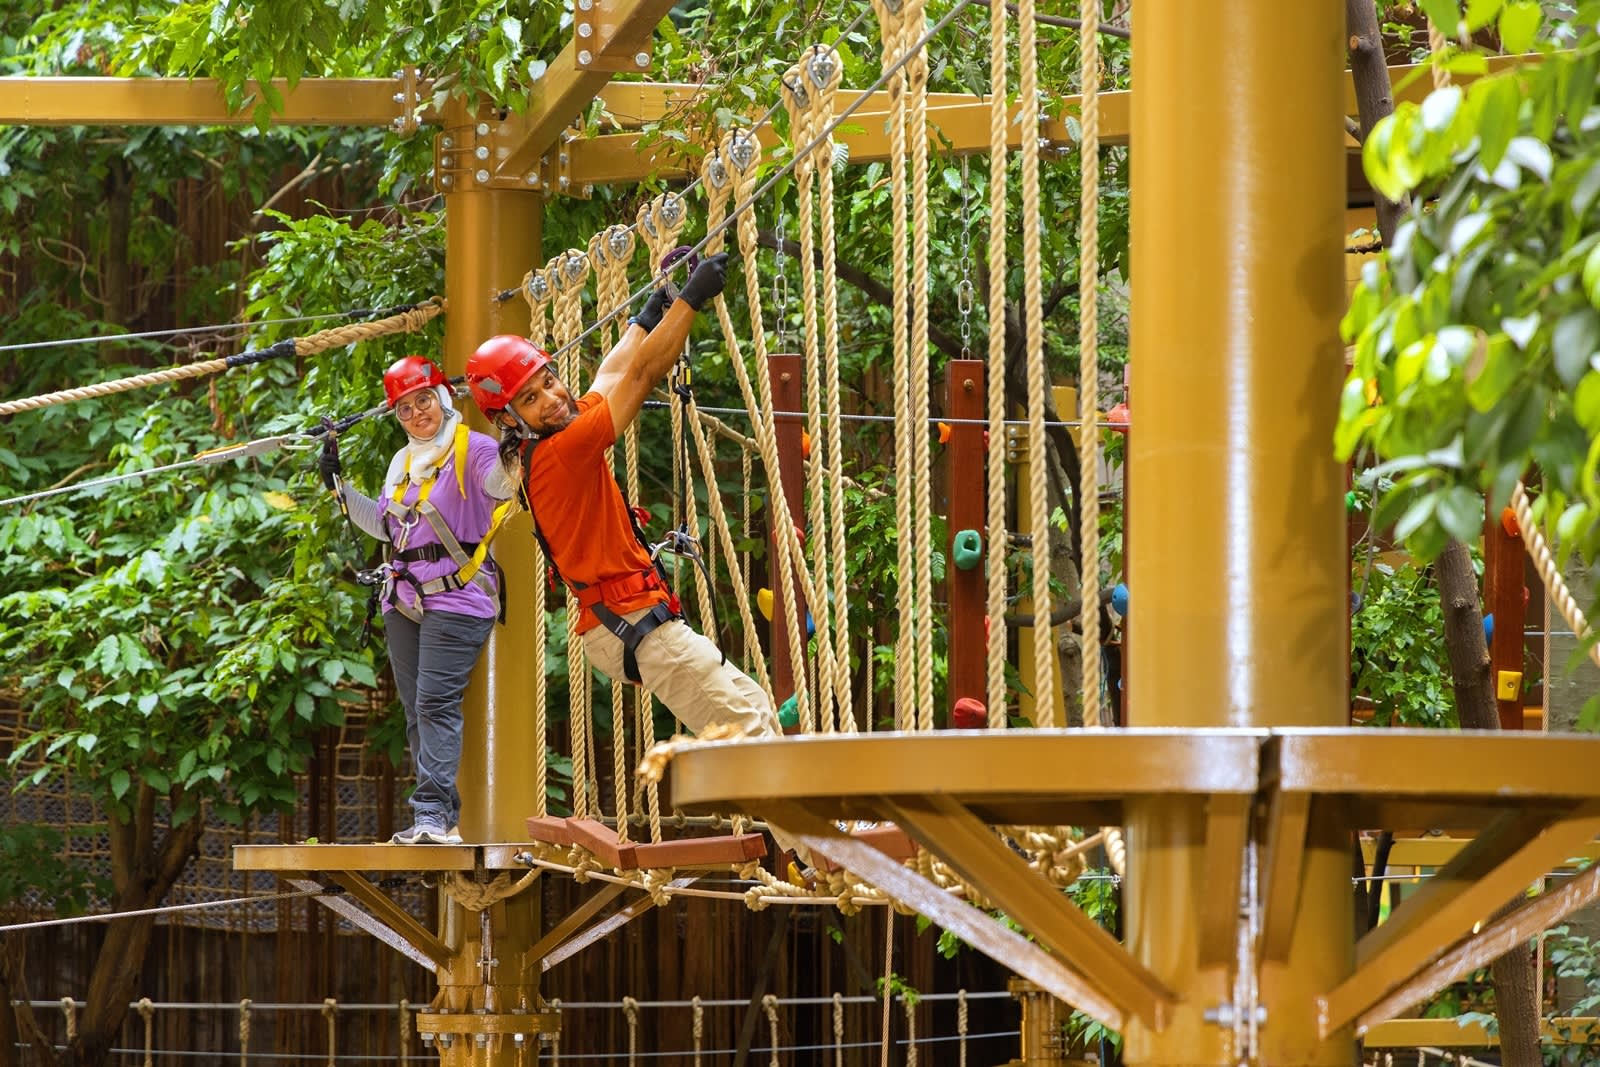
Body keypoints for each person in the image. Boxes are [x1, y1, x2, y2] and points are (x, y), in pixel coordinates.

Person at [465, 254, 809, 869]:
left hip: (629, 621)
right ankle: (823, 847)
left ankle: (806, 836)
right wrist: (691, 301)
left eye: (548, 381)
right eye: (531, 398)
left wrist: (650, 312)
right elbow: (644, 374)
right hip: (630, 623)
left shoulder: (549, 440)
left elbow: (610, 373)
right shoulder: (562, 452)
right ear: (509, 418)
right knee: (745, 723)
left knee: (753, 707)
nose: (552, 398)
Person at [318, 355, 516, 844]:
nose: (416, 414)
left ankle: (431, 814)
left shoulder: (474, 449)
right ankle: (439, 817)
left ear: (443, 398)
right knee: (416, 711)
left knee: (434, 703)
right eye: (404, 408)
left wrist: (516, 441)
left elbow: (502, 484)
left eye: (423, 400)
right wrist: (337, 486)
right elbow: (385, 526)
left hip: (458, 597)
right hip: (404, 599)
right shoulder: (402, 462)